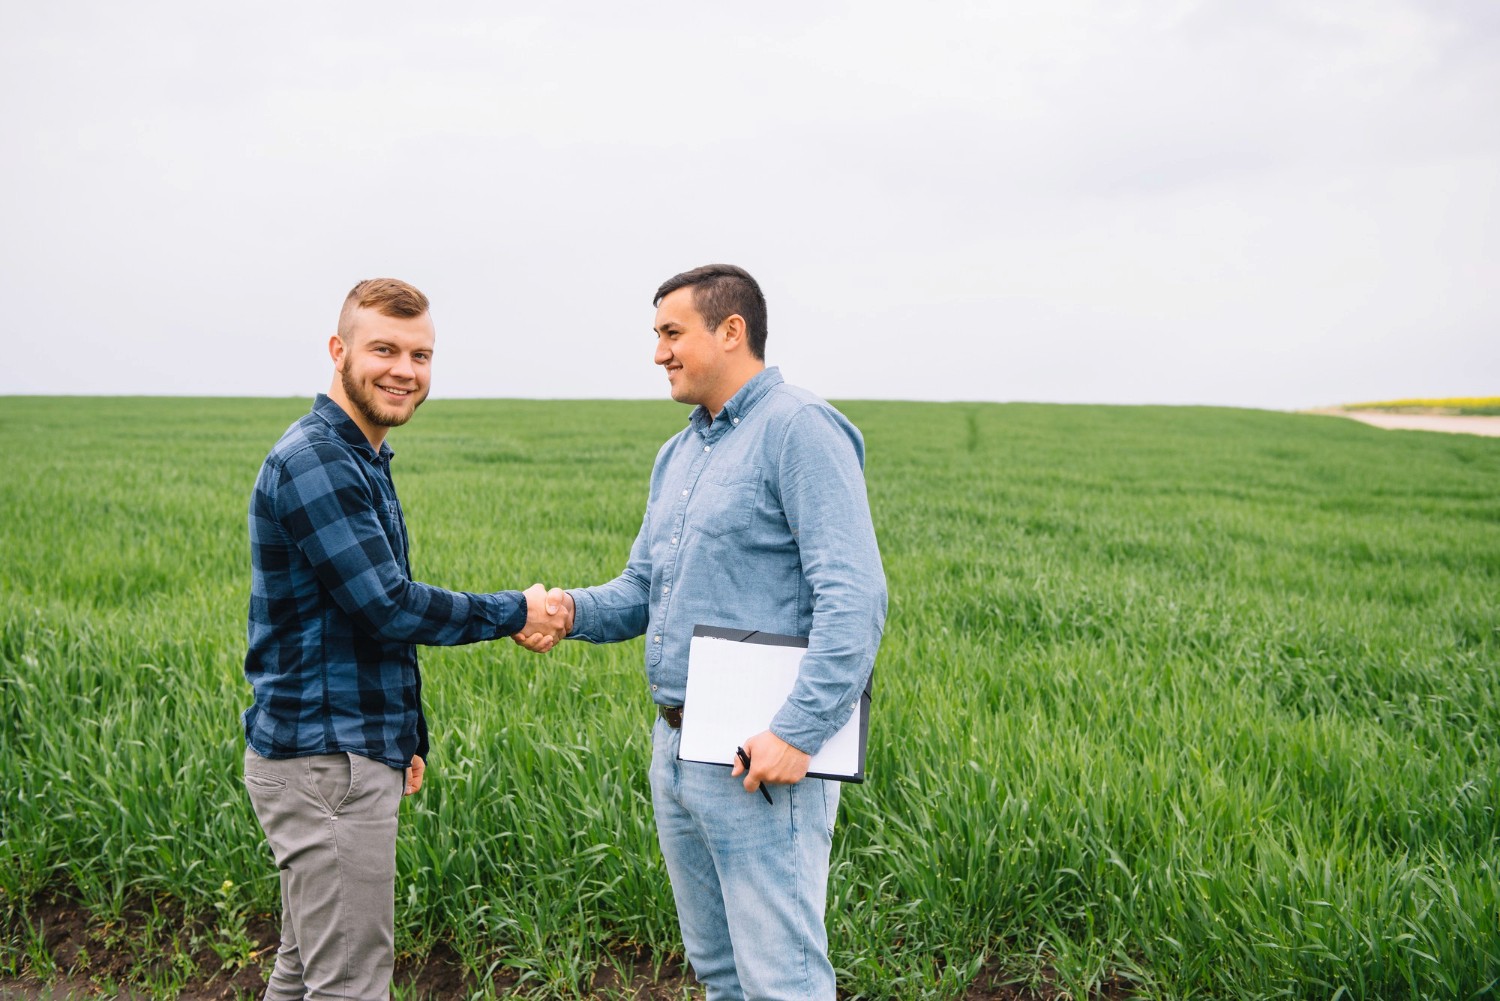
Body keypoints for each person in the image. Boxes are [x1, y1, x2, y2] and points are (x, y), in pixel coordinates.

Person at [520, 264, 887, 1000]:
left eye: (671, 333)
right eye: (656, 335)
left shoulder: (799, 428)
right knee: (720, 974)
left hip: (763, 758)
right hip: (680, 748)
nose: (659, 352)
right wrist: (568, 610)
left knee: (781, 979)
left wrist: (799, 731)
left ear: (731, 330)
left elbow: (855, 596)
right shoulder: (680, 452)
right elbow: (641, 590)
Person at [241, 277, 568, 1001]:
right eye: (384, 349)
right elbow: (388, 606)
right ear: (339, 349)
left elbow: (358, 623)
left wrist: (403, 738)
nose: (404, 370)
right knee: (349, 986)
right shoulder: (318, 459)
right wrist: (515, 609)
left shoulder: (361, 456)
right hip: (327, 763)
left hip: (344, 750)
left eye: (420, 355)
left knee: (304, 973)